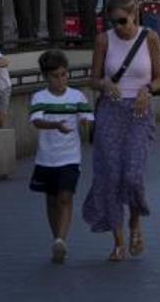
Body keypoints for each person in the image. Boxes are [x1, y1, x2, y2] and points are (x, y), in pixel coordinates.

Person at [83, 0, 160, 261]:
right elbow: (93, 79)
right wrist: (105, 83)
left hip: (139, 111)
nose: (119, 27)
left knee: (132, 174)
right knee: (110, 175)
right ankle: (118, 240)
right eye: (113, 22)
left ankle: (135, 222)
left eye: (123, 21)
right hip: (110, 110)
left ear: (135, 15)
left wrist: (147, 90)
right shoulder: (103, 40)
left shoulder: (149, 38)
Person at [29, 49, 93, 264]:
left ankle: (61, 240)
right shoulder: (39, 97)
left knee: (65, 197)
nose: (61, 80)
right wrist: (55, 124)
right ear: (46, 77)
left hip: (70, 158)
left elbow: (87, 116)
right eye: (55, 76)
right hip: (46, 158)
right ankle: (56, 238)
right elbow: (36, 121)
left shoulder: (77, 96)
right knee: (51, 200)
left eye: (64, 74)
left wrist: (86, 122)